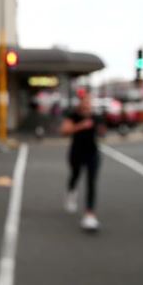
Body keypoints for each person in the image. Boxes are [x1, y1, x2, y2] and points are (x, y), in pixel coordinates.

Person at [60, 96, 107, 231]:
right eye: (85, 104)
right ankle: (71, 193)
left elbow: (102, 133)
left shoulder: (96, 117)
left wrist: (102, 128)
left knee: (91, 182)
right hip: (76, 152)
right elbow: (64, 131)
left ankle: (89, 214)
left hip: (92, 153)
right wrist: (81, 125)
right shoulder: (73, 116)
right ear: (80, 105)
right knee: (75, 175)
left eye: (89, 104)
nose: (87, 106)